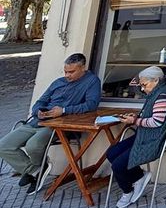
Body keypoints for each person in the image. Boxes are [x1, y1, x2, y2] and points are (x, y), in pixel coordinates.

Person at [0, 52, 101, 194]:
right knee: (3, 146)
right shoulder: (58, 82)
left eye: (71, 72)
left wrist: (64, 110)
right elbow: (40, 101)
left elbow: (91, 105)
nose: (67, 75)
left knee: (33, 145)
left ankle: (34, 172)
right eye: (65, 71)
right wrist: (38, 111)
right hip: (37, 122)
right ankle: (35, 171)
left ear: (82, 68)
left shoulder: (91, 81)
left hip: (59, 125)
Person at [106, 66, 166, 208]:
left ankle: (127, 191)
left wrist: (135, 121)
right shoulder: (155, 92)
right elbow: (150, 115)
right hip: (144, 135)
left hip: (156, 138)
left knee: (118, 165)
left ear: (156, 80)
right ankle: (139, 176)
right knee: (111, 153)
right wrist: (137, 117)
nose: (142, 89)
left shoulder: (162, 95)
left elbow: (157, 122)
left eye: (144, 85)